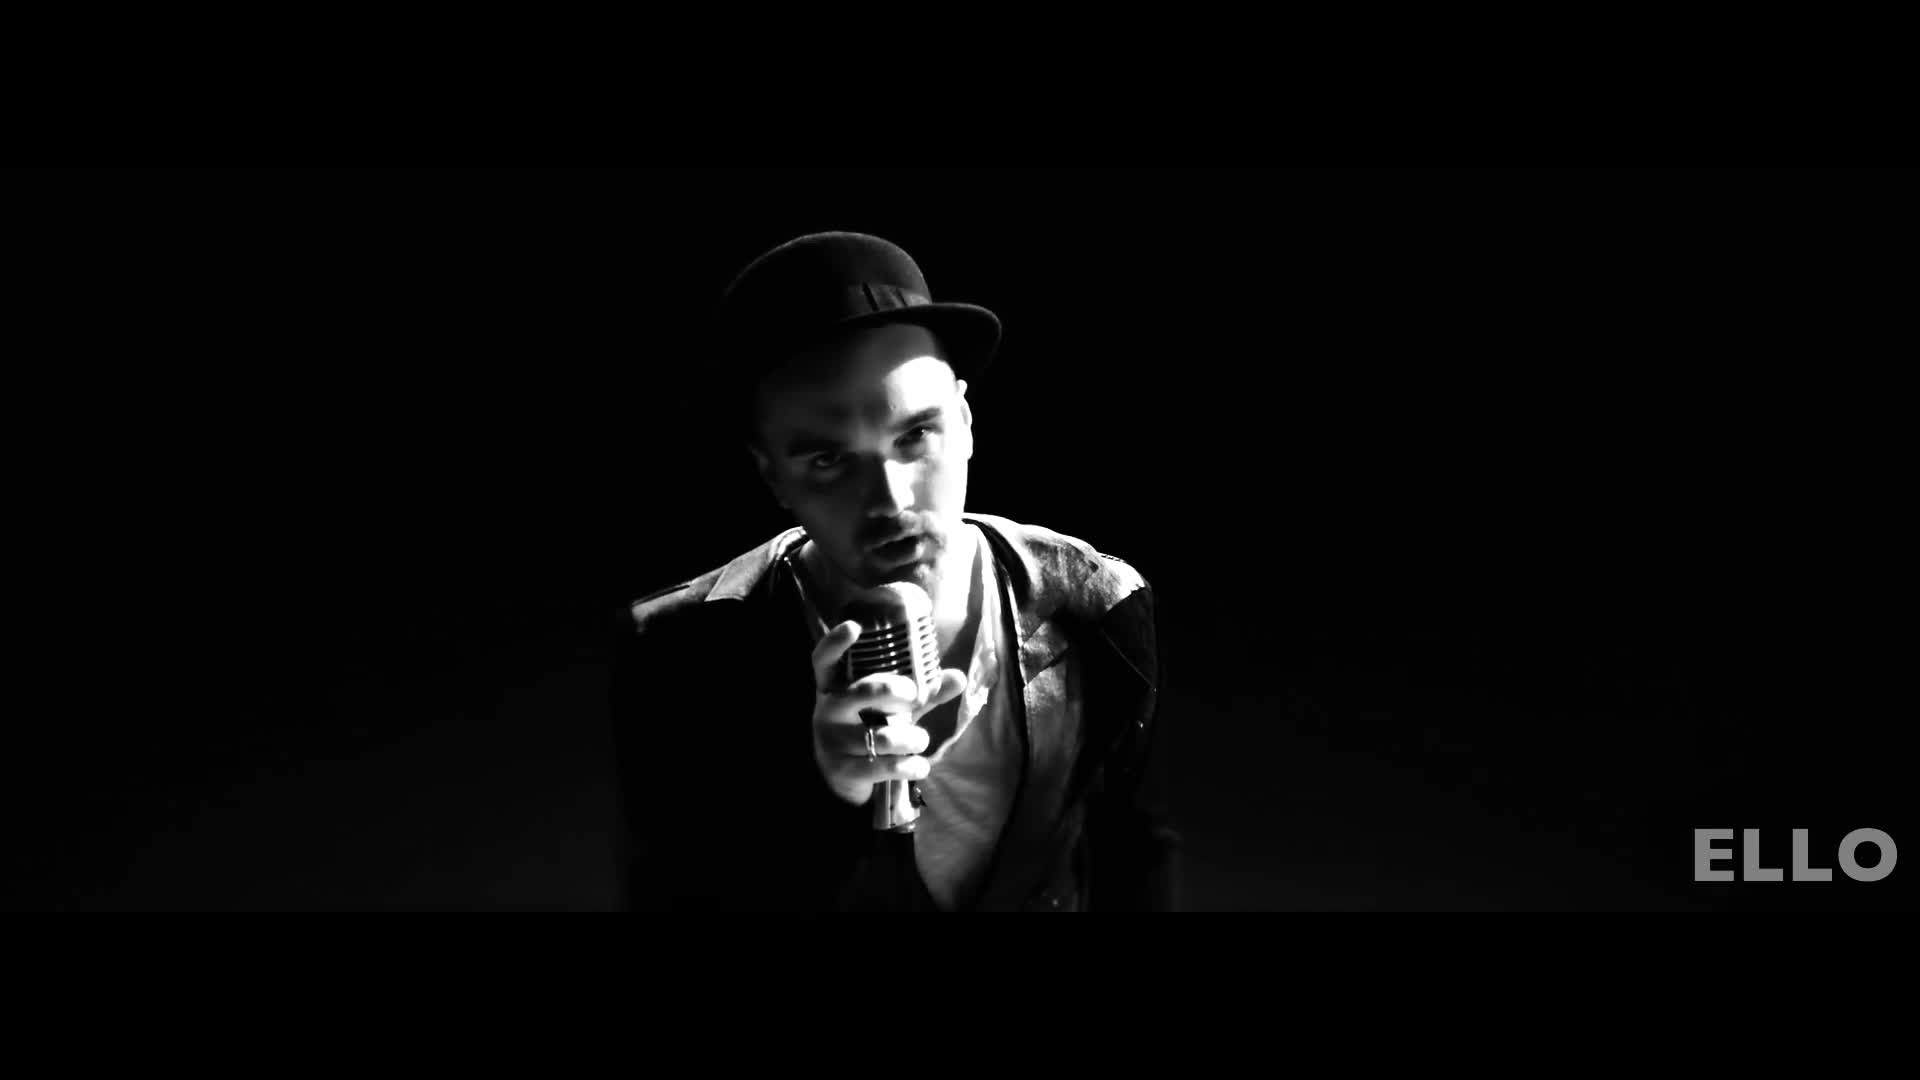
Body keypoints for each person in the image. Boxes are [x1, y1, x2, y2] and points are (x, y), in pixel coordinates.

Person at [612, 231, 1177, 912]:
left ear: (964, 422)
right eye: (828, 460)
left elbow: (1131, 849)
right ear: (773, 475)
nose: (891, 500)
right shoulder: (679, 653)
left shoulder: (1097, 602)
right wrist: (826, 793)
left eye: (915, 435)